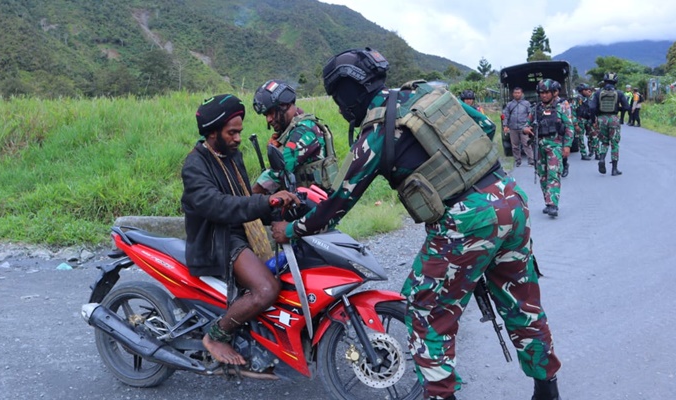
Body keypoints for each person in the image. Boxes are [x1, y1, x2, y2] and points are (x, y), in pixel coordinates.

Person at [271, 47, 562, 400]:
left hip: (465, 220)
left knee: (424, 311)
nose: (338, 105)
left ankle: (441, 395)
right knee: (521, 303)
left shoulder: (377, 130)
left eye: (337, 97)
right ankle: (547, 391)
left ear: (349, 91)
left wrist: (293, 229)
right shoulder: (430, 94)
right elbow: (484, 127)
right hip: (509, 200)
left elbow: (339, 200)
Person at [181, 94, 299, 365]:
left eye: (239, 132)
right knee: (267, 289)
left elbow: (245, 198)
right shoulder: (195, 166)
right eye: (231, 132)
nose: (237, 138)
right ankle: (216, 336)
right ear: (212, 133)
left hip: (240, 231)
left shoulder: (233, 156)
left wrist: (285, 209)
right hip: (217, 239)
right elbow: (218, 206)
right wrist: (266, 201)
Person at [251, 79, 338, 194]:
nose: (269, 119)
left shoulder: (304, 131)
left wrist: (248, 199)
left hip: (316, 206)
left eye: (271, 112)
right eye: (266, 115)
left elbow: (279, 172)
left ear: (284, 105)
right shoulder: (291, 129)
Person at [522, 79, 574, 218]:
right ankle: (548, 201)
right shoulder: (535, 108)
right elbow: (527, 124)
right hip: (539, 145)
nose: (544, 95)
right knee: (542, 175)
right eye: (541, 93)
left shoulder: (561, 107)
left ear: (553, 93)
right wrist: (526, 129)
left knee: (553, 173)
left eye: (546, 92)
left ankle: (553, 204)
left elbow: (569, 126)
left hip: (555, 144)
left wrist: (567, 146)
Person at [588, 72, 630, 176]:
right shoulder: (619, 93)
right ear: (616, 82)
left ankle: (602, 159)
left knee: (604, 142)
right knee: (614, 144)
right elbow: (627, 107)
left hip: (602, 119)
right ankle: (614, 169)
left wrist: (594, 120)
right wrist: (617, 108)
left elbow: (592, 108)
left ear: (604, 81)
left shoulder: (597, 93)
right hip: (614, 119)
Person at [502, 87, 535, 167]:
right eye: (515, 93)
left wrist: (529, 125)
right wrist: (505, 125)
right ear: (513, 94)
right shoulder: (510, 104)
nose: (517, 94)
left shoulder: (526, 104)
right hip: (513, 128)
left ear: (521, 93)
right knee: (515, 146)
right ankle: (517, 161)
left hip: (524, 128)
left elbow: (530, 115)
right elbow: (506, 115)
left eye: (518, 93)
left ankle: (531, 160)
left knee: (526, 144)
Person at [572, 83, 597, 160]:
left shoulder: (590, 97)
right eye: (585, 90)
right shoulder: (577, 98)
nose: (588, 91)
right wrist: (575, 124)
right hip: (580, 119)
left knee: (593, 136)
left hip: (589, 119)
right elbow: (573, 110)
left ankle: (595, 152)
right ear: (581, 91)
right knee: (580, 137)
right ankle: (583, 154)